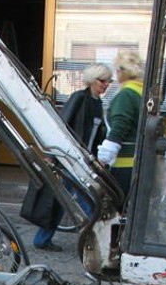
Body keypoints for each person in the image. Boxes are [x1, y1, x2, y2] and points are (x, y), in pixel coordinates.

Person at [30, 63, 113, 251]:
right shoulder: (80, 98)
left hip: (80, 159)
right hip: (70, 158)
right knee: (84, 200)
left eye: (109, 80)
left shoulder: (96, 102)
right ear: (92, 80)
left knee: (63, 198)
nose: (106, 84)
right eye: (103, 80)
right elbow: (61, 125)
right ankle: (97, 240)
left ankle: (43, 239)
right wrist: (51, 154)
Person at [97, 50, 144, 199]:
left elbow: (119, 129)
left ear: (122, 71)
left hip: (123, 165)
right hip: (139, 163)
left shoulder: (126, 95)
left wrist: (102, 159)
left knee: (116, 207)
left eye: (117, 70)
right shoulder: (142, 92)